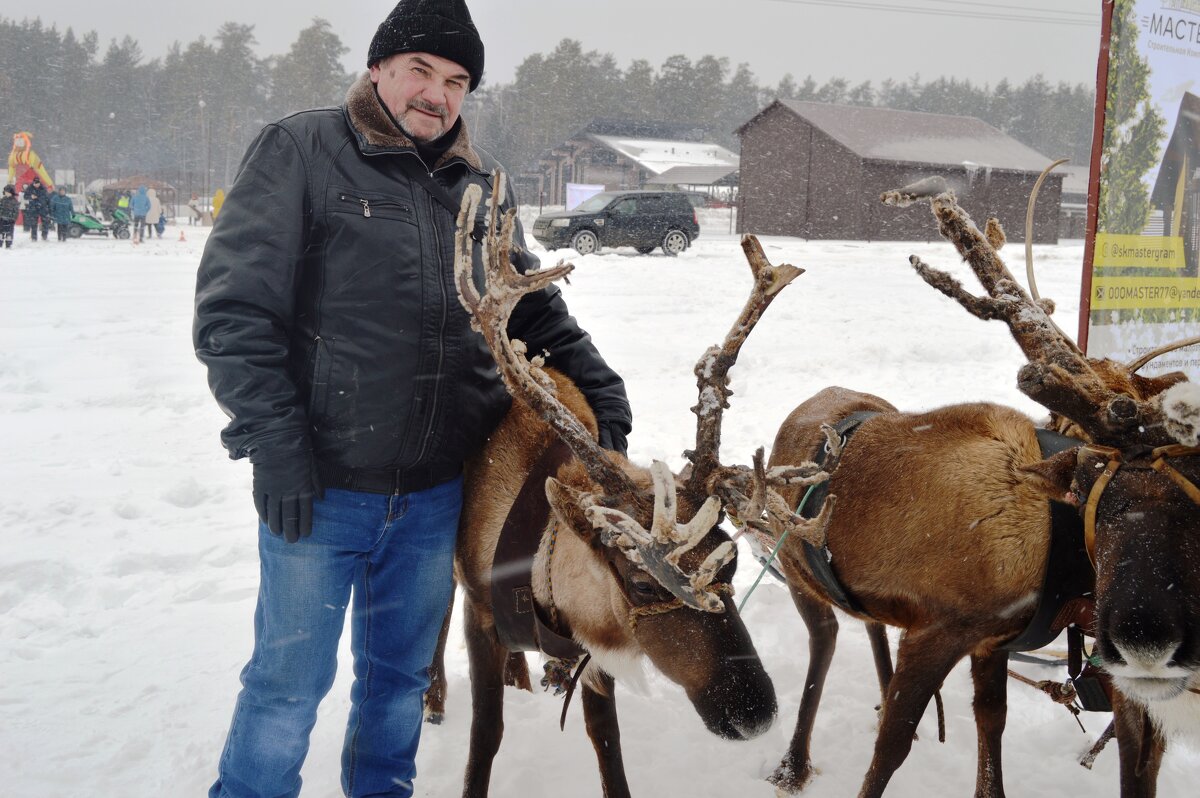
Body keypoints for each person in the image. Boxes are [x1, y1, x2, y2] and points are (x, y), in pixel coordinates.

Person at [192, 2, 632, 797]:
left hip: (434, 496)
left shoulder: (479, 189)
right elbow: (235, 316)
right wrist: (278, 447)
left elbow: (532, 309)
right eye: (422, 71)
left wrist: (604, 399)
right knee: (287, 689)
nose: (438, 94)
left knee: (397, 686)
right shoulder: (303, 151)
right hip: (319, 489)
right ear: (379, 69)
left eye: (457, 81)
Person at [23, 176, 50, 241]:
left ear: (40, 183)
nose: (37, 185)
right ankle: (34, 237)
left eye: (38, 183)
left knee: (45, 222)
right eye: (35, 183)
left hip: (43, 208)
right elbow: (25, 196)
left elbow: (47, 198)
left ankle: (44, 236)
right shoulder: (30, 188)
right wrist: (31, 197)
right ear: (33, 183)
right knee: (33, 223)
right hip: (33, 207)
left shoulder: (43, 188)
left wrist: (41, 201)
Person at [0, 184, 18, 248]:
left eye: (8, 192)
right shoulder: (2, 200)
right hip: (2, 219)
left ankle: (8, 244)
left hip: (10, 220)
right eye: (5, 192)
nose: (6, 193)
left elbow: (16, 211)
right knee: (1, 232)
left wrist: (13, 218)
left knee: (9, 233)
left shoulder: (14, 201)